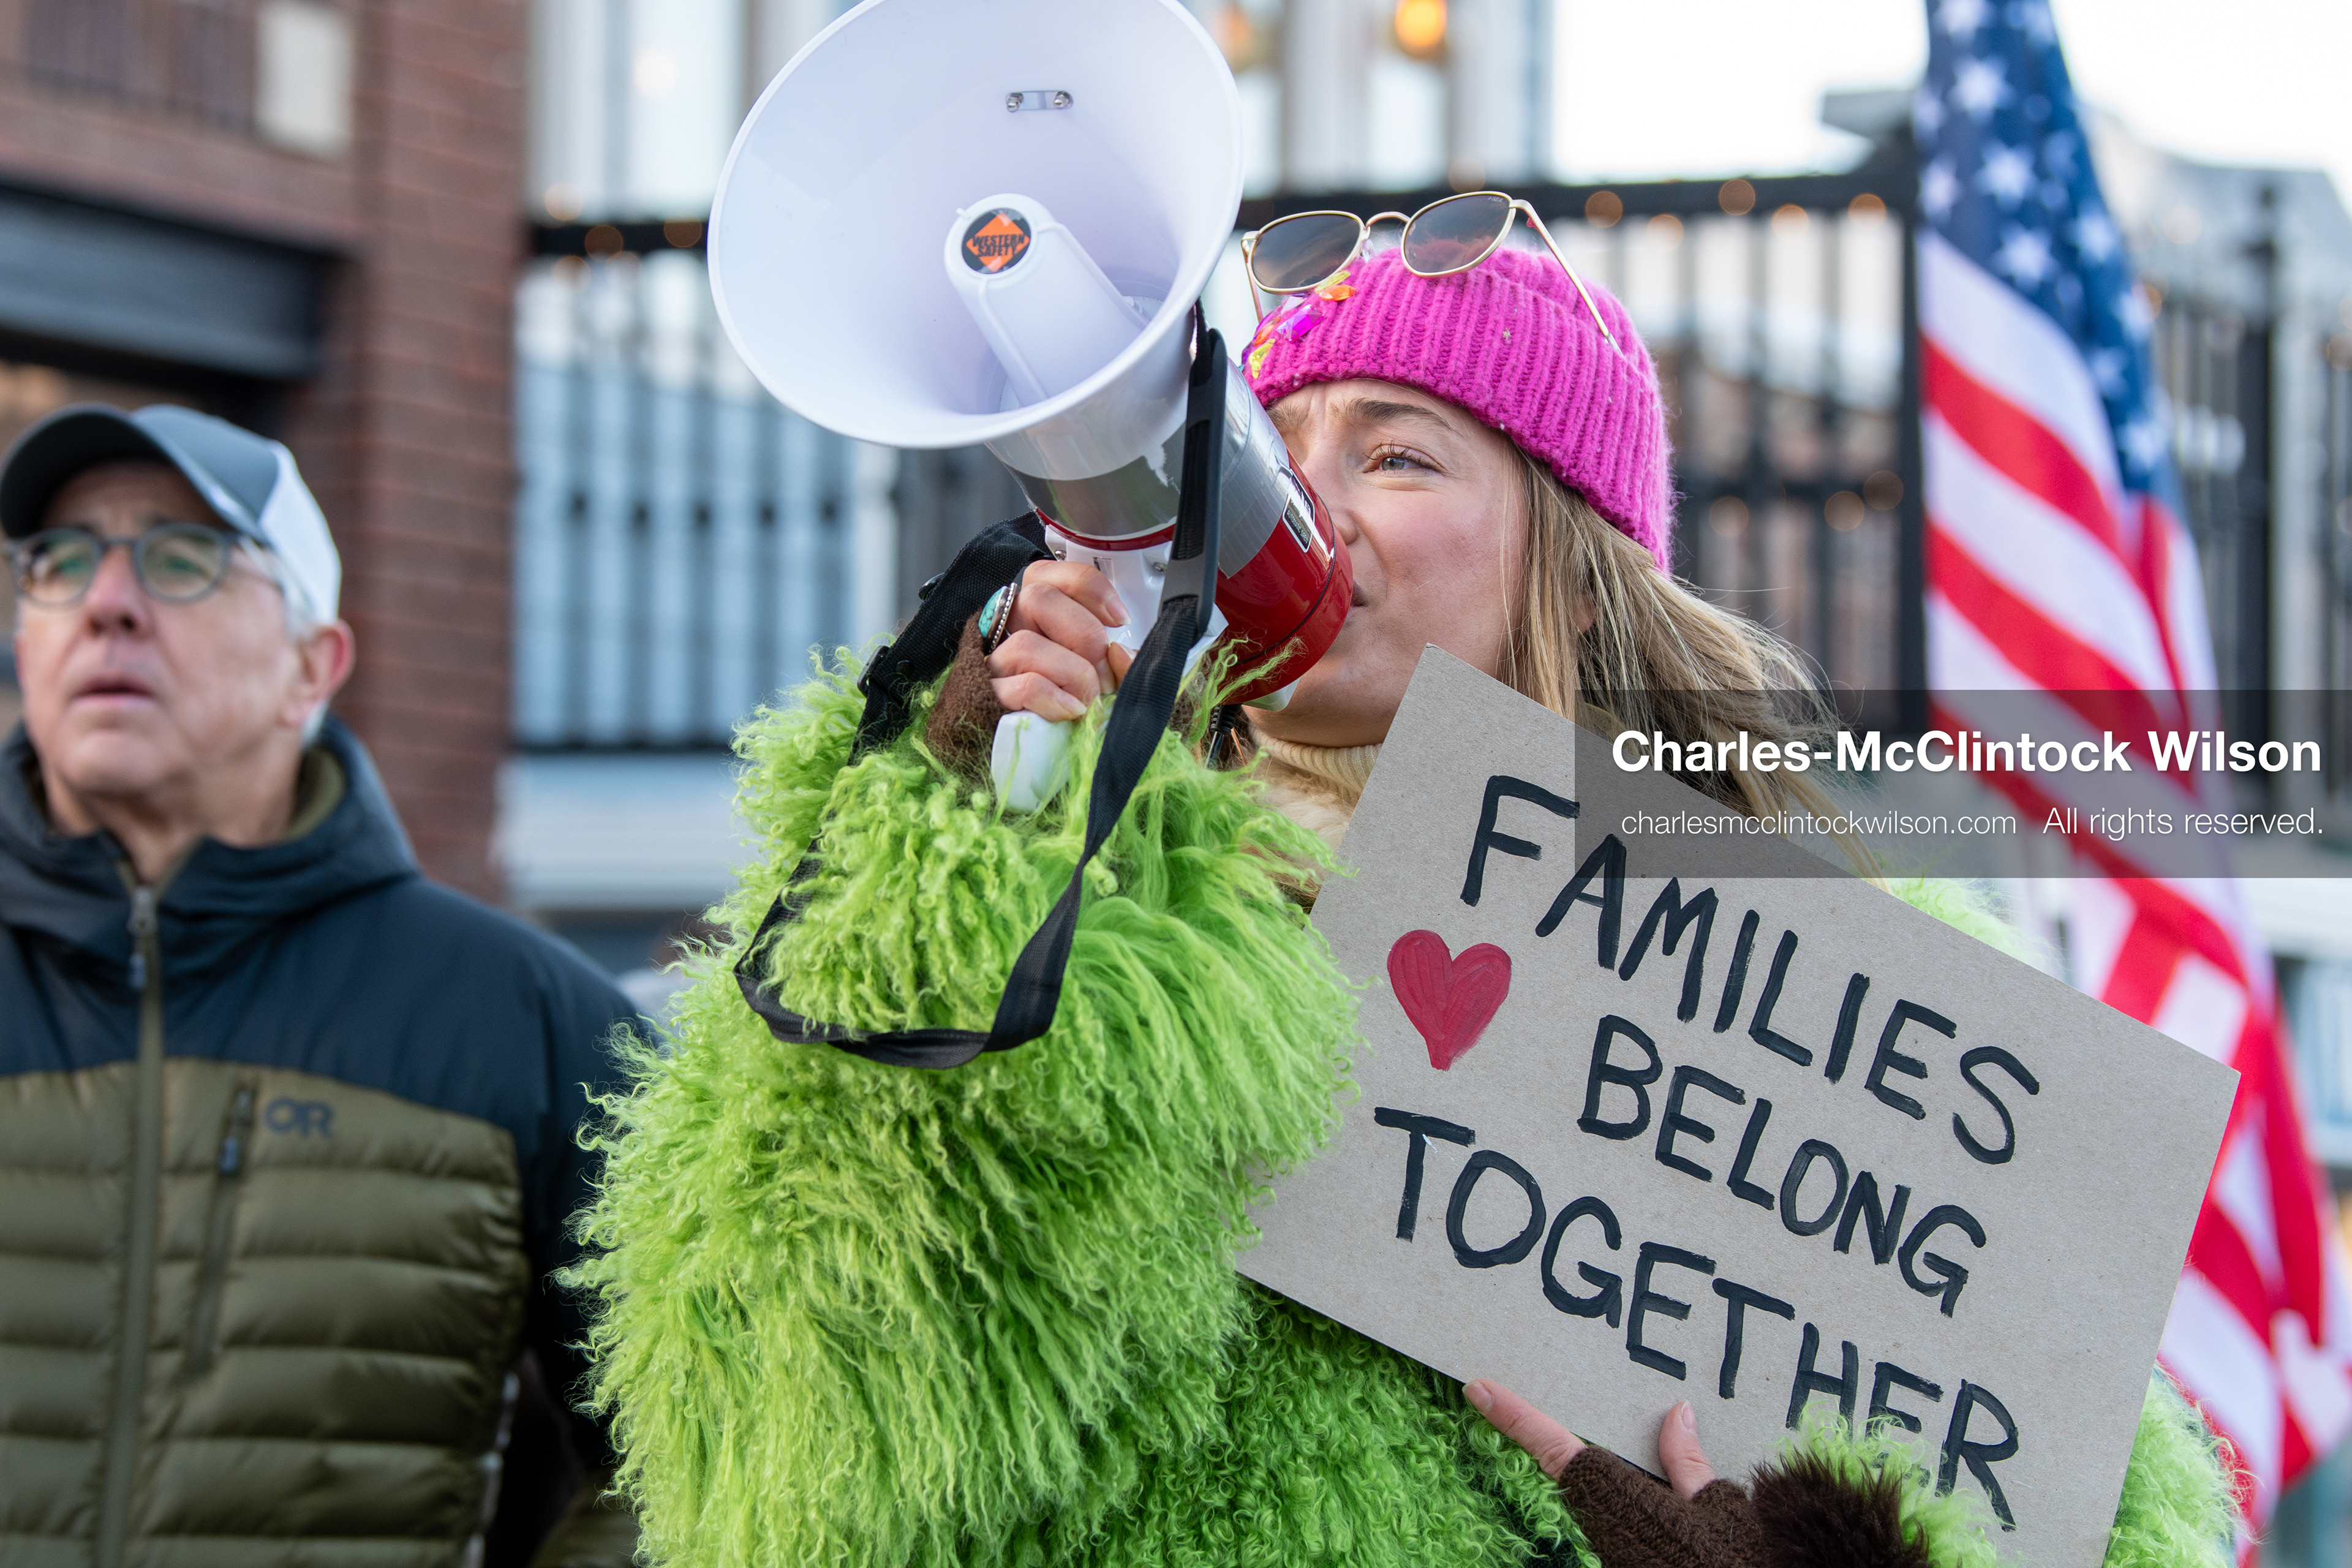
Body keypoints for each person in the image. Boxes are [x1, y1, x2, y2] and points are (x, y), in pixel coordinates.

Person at [576, 244, 2235, 1567]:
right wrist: (947, 839)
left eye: (1398, 453)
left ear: (1572, 555)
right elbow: (791, 1450)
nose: (1302, 504)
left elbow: (2098, 1503)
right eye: (1271, 448)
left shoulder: (1847, 991)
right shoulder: (1089, 912)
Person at [0, 404, 643, 1567]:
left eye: (184, 558)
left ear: (314, 666)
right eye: (60, 561)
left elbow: (696, 1451)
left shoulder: (523, 1019)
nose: (106, 602)